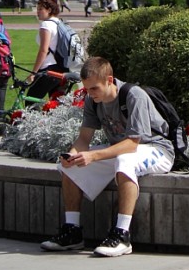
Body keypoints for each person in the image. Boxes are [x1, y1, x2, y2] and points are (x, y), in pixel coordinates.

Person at [40, 56, 173, 257]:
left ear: (109, 80)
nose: (90, 93)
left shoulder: (133, 96)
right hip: (122, 149)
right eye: (86, 89)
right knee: (70, 166)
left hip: (157, 149)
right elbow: (84, 138)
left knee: (125, 160)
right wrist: (72, 155)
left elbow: (132, 143)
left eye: (94, 89)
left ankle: (122, 235)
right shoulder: (92, 101)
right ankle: (72, 232)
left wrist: (93, 156)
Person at [26, 0, 63, 100]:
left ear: (49, 10)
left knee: (31, 101)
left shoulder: (46, 25)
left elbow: (43, 51)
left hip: (48, 69)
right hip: (61, 68)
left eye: (41, 9)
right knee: (55, 106)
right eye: (37, 9)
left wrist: (33, 72)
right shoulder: (59, 23)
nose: (37, 12)